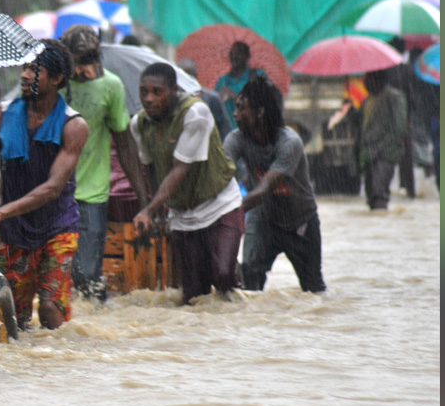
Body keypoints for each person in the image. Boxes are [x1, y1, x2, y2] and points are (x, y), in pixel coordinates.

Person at [0, 40, 88, 330]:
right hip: (14, 230)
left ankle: (56, 369)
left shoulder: (73, 126)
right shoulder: (1, 116)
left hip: (58, 226)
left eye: (34, 70)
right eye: (24, 67)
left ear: (57, 79)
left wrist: (0, 212)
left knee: (51, 306)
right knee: (12, 316)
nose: (25, 75)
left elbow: (53, 187)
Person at [130, 62, 243, 305]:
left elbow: (180, 169)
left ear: (173, 90)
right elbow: (149, 169)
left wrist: (149, 210)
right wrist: (156, 213)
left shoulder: (196, 113)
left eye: (156, 92)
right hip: (182, 214)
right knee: (194, 298)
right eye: (143, 92)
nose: (148, 99)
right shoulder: (139, 124)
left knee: (223, 277)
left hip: (219, 204)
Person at [224, 75, 326, 293]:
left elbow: (264, 189)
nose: (235, 114)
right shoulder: (237, 138)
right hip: (264, 219)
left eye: (241, 108)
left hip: (301, 222)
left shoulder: (289, 142)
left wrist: (232, 211)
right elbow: (221, 174)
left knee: (313, 290)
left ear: (260, 112)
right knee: (250, 282)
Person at [59, 24, 132, 302]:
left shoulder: (111, 85)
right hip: (53, 191)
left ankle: (97, 320)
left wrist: (145, 196)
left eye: (92, 62)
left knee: (86, 274)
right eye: (81, 64)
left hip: (92, 194)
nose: (87, 71)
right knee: (55, 275)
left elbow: (125, 143)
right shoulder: (51, 85)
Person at [358, 68, 408, 210]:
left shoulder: (395, 97)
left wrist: (383, 148)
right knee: (371, 197)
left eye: (368, 78)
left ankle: (380, 225)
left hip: (385, 154)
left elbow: (399, 128)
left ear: (378, 79)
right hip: (368, 155)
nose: (365, 82)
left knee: (379, 194)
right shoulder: (367, 100)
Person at [176, 57, 234, 141]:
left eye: (189, 76)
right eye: (182, 77)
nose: (186, 81)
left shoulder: (211, 98)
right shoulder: (173, 101)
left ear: (196, 75)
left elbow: (225, 128)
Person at [214, 40, 266, 129]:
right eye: (231, 53)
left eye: (238, 53)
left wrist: (236, 97)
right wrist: (218, 99)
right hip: (227, 132)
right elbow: (215, 108)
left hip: (251, 131)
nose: (234, 56)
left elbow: (263, 103)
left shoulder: (256, 76)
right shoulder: (223, 80)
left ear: (247, 56)